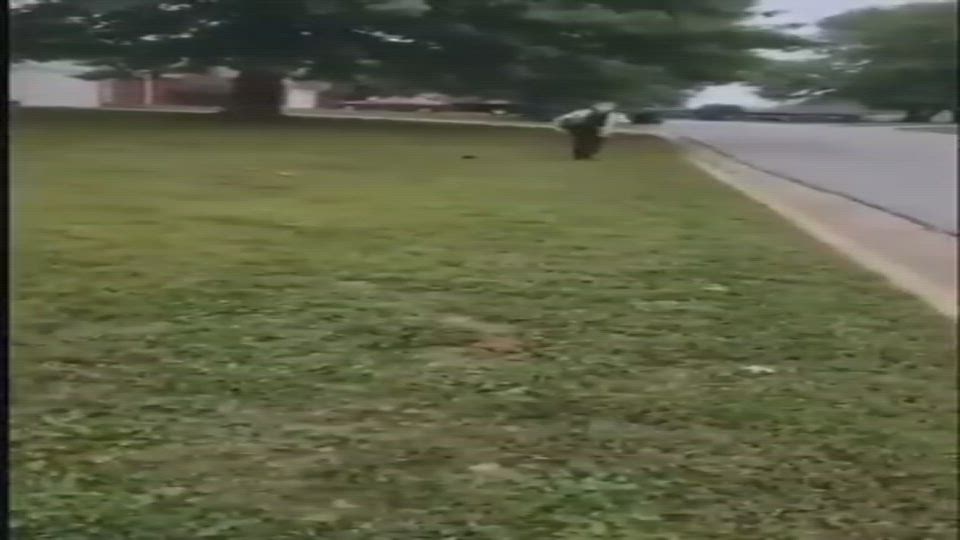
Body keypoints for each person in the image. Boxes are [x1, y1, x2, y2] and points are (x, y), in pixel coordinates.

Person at [552, 102, 621, 160]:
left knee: (581, 138)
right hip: (582, 126)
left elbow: (561, 120)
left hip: (570, 124)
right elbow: (607, 127)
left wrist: (561, 128)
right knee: (591, 139)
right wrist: (603, 136)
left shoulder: (584, 111)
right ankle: (584, 155)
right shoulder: (610, 115)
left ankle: (580, 155)